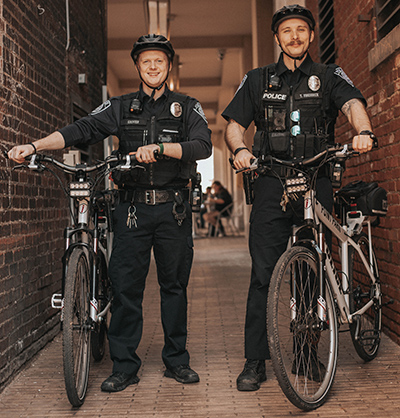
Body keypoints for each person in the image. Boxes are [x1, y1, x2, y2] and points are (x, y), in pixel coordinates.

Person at [8, 34, 212, 392]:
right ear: (137, 65)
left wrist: (163, 148)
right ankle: (124, 366)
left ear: (168, 66)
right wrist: (36, 145)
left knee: (174, 287)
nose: (153, 66)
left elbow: (203, 145)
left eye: (159, 61)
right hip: (131, 209)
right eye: (146, 61)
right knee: (125, 289)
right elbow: (81, 129)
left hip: (172, 210)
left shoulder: (187, 106)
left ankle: (177, 360)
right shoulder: (119, 106)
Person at [222, 4, 376, 392]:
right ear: (277, 38)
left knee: (310, 271)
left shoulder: (327, 76)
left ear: (310, 36)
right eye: (287, 30)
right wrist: (240, 150)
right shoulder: (257, 80)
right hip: (272, 181)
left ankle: (307, 356)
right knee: (263, 274)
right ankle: (255, 361)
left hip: (317, 179)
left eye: (301, 30)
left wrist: (363, 131)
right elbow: (234, 126)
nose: (294, 36)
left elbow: (353, 103)